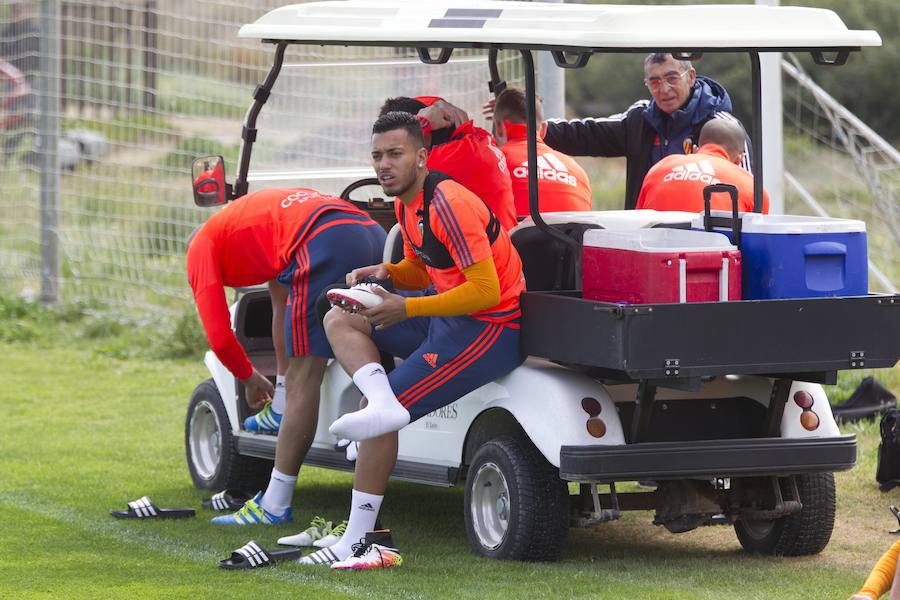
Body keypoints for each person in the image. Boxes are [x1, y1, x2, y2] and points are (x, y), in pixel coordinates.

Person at [298, 111, 526, 569]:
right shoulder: (407, 201)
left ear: (421, 157)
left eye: (395, 154)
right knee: (341, 316)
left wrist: (407, 306)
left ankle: (369, 542)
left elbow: (488, 290)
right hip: (446, 313)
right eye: (378, 155)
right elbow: (426, 267)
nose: (384, 164)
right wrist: (387, 273)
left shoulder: (448, 203)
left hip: (488, 327)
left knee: (375, 421)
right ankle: (382, 401)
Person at [186, 187, 386, 525]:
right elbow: (281, 301)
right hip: (370, 230)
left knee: (304, 376)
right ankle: (283, 410)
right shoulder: (250, 230)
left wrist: (249, 379)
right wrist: (278, 399)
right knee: (373, 332)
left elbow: (220, 338)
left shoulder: (200, 248)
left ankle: (275, 504)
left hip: (323, 239)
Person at [538, 52, 750, 210]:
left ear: (691, 76)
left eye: (672, 78)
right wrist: (535, 130)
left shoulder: (724, 128)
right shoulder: (640, 119)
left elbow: (747, 187)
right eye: (654, 81)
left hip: (706, 237)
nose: (664, 89)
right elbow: (587, 134)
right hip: (646, 238)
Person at [381, 95, 518, 231]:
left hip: (481, 250)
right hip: (494, 245)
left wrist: (421, 122)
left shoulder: (447, 158)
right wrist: (439, 104)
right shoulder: (478, 140)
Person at [492, 86, 592, 216]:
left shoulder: (492, 162)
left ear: (499, 127)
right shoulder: (577, 171)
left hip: (514, 236)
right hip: (569, 236)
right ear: (543, 129)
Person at [637, 118, 769, 213]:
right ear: (738, 160)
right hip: (714, 251)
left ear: (695, 149)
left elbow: (639, 220)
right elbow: (756, 242)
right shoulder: (753, 187)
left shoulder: (659, 168)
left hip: (659, 249)